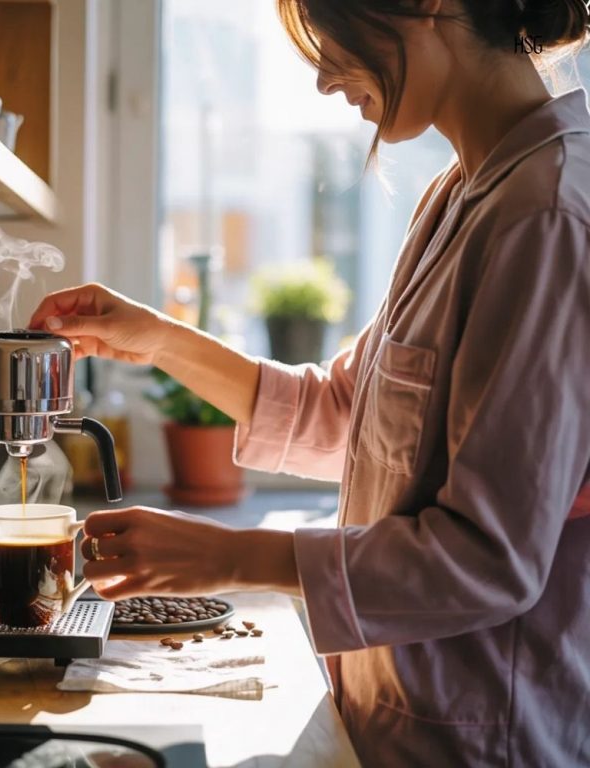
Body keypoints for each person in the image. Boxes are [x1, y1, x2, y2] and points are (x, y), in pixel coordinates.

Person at [30, 0, 590, 764]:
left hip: (487, 743)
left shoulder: (546, 215)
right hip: (397, 728)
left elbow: (488, 559)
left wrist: (231, 558)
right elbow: (348, 414)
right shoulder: (460, 194)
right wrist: (157, 339)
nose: (325, 77)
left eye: (331, 34)